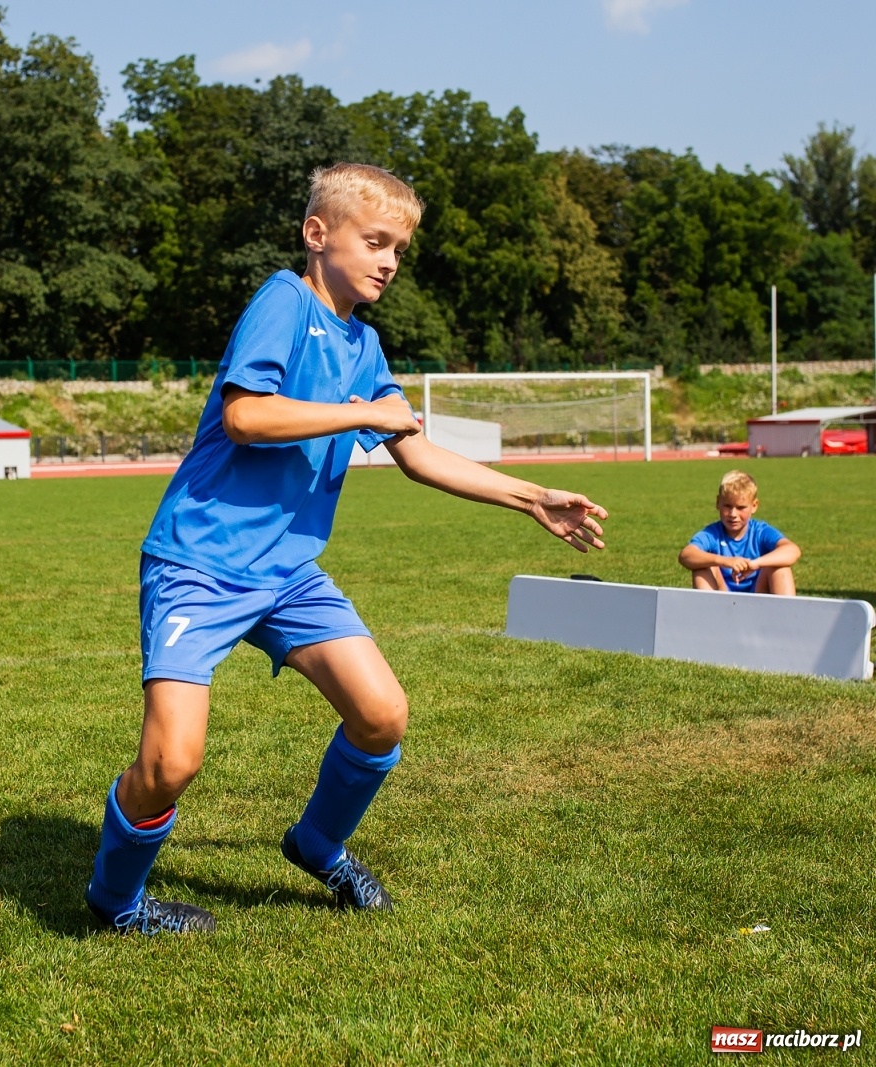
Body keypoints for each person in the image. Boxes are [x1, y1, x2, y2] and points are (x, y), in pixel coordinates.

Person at [83, 162, 609, 935]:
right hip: (199, 562)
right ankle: (115, 903)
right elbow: (247, 418)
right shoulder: (285, 300)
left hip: (287, 572)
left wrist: (533, 497)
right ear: (318, 235)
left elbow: (414, 449)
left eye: (400, 247)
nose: (390, 260)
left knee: (381, 714)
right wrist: (356, 411)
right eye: (376, 241)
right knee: (170, 764)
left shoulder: (363, 345)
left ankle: (318, 844)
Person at [679, 470, 798, 595]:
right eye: (727, 506)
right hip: (723, 596)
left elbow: (792, 551)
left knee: (780, 567)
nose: (733, 514)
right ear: (718, 503)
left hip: (759, 595)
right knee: (702, 568)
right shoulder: (712, 534)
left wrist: (755, 564)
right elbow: (686, 555)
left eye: (741, 508)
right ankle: (711, 613)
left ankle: (785, 614)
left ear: (754, 506)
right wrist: (725, 561)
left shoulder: (760, 531)